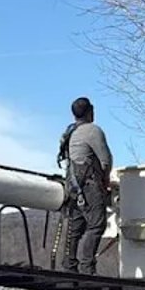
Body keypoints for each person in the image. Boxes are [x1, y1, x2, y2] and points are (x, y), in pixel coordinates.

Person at [57, 96, 113, 274]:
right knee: (97, 224)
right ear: (90, 111)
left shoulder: (71, 132)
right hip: (89, 183)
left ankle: (69, 265)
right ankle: (87, 266)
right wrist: (105, 180)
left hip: (72, 184)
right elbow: (105, 159)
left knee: (76, 226)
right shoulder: (92, 131)